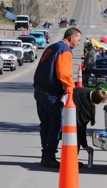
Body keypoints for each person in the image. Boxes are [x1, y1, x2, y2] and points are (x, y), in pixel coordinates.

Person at [33, 27, 82, 168]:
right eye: (78, 40)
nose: (78, 43)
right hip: (51, 95)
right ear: (71, 38)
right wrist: (72, 91)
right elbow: (64, 75)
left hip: (39, 91)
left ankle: (46, 156)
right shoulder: (65, 50)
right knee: (55, 125)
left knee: (45, 125)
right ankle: (49, 156)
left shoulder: (52, 47)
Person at [73, 87, 107, 167]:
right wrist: (85, 145)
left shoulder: (80, 90)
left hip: (62, 118)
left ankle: (48, 157)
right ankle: (73, 160)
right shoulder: (88, 112)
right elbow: (81, 130)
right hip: (74, 129)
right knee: (77, 138)